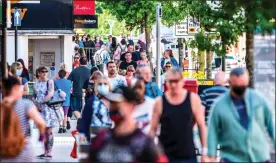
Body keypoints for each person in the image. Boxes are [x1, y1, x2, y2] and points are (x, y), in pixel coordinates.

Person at [207, 68, 275, 162]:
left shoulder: (259, 100)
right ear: (229, 83)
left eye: (242, 88)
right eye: (237, 89)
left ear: (247, 82)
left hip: (259, 157)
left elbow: (272, 126)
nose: (240, 92)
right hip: (232, 158)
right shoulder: (219, 105)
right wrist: (211, 155)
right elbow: (212, 132)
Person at [86, 86, 168, 162]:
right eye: (111, 102)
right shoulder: (101, 138)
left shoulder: (143, 143)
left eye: (117, 102)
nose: (113, 107)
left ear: (131, 106)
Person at [149, 68, 208, 163]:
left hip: (187, 154)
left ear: (182, 81)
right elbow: (152, 130)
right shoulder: (159, 102)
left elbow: (201, 125)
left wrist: (205, 151)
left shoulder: (193, 99)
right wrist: (154, 151)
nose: (173, 85)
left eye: (176, 81)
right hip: (165, 155)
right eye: (170, 81)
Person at [1, 76, 46, 162]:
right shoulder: (25, 104)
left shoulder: (1, 105)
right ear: (15, 88)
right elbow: (41, 123)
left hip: (3, 152)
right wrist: (41, 136)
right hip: (23, 149)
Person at [34, 67, 59, 158]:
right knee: (43, 132)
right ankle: (45, 151)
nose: (44, 73)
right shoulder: (36, 83)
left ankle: (49, 152)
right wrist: (36, 103)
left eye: (46, 71)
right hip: (40, 109)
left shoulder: (50, 82)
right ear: (38, 73)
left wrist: (41, 102)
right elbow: (33, 95)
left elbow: (50, 94)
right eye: (42, 71)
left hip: (48, 109)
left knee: (49, 132)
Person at [79, 76, 113, 141]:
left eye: (105, 84)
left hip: (112, 138)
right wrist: (82, 134)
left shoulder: (114, 101)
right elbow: (85, 119)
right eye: (100, 84)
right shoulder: (92, 101)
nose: (103, 86)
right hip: (94, 136)